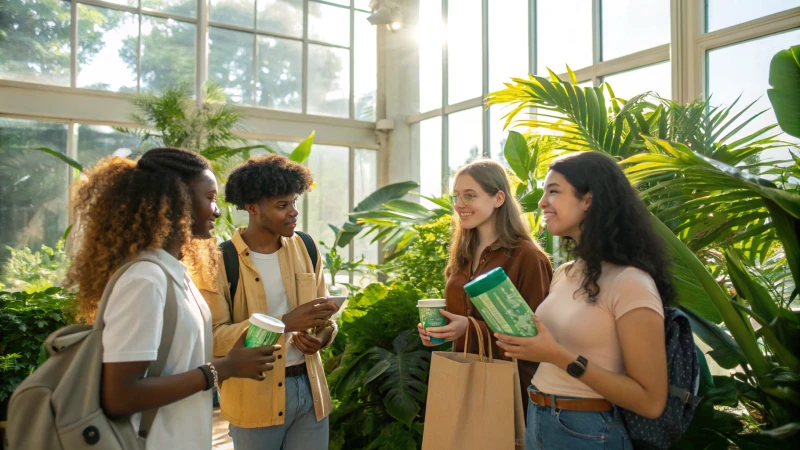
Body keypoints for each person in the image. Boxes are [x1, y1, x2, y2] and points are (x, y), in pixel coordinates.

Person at [65, 148, 278, 449]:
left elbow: (176, 366)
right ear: (176, 203)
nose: (217, 211)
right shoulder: (145, 280)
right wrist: (224, 368)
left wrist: (231, 361)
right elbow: (120, 396)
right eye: (211, 198)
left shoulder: (174, 273)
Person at [495, 151, 673, 449]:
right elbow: (554, 349)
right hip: (538, 418)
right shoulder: (565, 273)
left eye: (554, 192)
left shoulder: (630, 283)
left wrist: (557, 356)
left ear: (588, 200)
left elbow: (651, 401)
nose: (541, 203)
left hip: (587, 431)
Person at [197, 154, 339, 450]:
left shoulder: (308, 247)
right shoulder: (219, 262)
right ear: (252, 208)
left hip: (310, 392)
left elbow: (326, 318)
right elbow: (213, 339)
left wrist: (322, 336)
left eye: (294, 202)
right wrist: (286, 323)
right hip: (253, 396)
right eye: (282, 205)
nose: (293, 213)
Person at [418, 159, 553, 405]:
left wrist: (469, 327)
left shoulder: (527, 257)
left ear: (498, 198)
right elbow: (462, 316)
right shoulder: (462, 256)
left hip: (511, 390)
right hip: (464, 382)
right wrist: (443, 329)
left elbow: (538, 335)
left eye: (470, 196)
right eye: (456, 196)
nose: (459, 205)